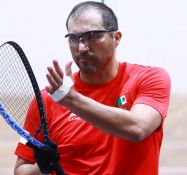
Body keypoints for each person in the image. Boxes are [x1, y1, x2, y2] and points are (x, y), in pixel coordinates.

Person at [14, 1, 171, 174]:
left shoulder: (149, 79)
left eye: (92, 36)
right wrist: (42, 168)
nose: (81, 47)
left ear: (116, 38)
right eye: (74, 38)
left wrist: (71, 100)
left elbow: (138, 128)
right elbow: (21, 170)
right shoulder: (46, 100)